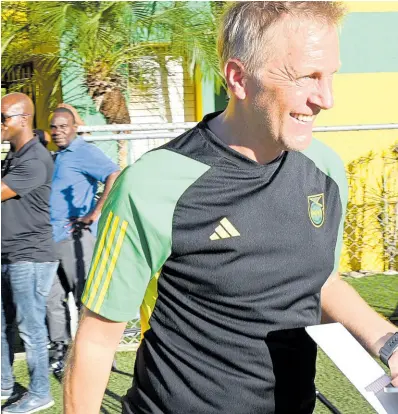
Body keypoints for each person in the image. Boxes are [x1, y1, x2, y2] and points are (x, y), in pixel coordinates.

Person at [64, 2, 398, 413]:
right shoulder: (150, 187)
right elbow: (97, 338)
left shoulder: (325, 170)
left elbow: (322, 282)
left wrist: (390, 343)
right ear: (238, 78)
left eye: (330, 76)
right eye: (306, 77)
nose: (326, 99)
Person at [46, 106, 120, 373]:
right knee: (51, 299)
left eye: (63, 126)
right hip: (50, 239)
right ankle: (60, 351)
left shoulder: (83, 151)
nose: (58, 131)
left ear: (74, 127)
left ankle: (99, 355)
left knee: (85, 299)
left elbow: (114, 173)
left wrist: (93, 213)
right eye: (54, 127)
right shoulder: (56, 156)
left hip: (76, 239)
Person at [1, 93, 58, 413]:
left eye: (3, 118)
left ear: (23, 119)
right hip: (7, 254)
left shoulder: (35, 159)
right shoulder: (14, 155)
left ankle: (40, 392)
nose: (0, 124)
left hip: (31, 256)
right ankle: (4, 383)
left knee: (30, 327)